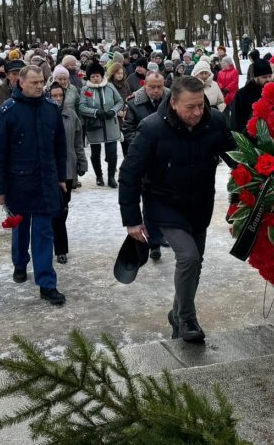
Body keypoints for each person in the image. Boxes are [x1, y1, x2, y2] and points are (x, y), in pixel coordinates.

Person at [118, 76, 235, 342]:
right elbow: (129, 174)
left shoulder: (214, 121)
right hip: (164, 204)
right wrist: (132, 220)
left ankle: (176, 312)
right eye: (190, 107)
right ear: (173, 103)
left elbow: (237, 159)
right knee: (188, 258)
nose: (197, 112)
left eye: (200, 106)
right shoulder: (151, 128)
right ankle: (187, 319)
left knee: (196, 264)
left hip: (200, 204)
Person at [0, 65, 68, 305]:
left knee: (44, 232)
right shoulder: (7, 111)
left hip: (46, 180)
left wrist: (61, 178)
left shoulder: (51, 109)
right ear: (21, 83)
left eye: (41, 81)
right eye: (34, 82)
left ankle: (47, 283)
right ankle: (20, 262)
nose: (39, 86)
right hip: (19, 181)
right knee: (21, 228)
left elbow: (60, 147)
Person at [121, 71, 170, 260]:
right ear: (145, 86)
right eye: (152, 87)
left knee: (165, 199)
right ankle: (154, 242)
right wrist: (145, 146)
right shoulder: (134, 103)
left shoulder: (171, 100)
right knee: (149, 201)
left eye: (159, 86)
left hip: (167, 159)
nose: (156, 90)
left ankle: (164, 233)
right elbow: (128, 130)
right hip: (145, 160)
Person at [47, 82, 87, 264]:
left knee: (63, 207)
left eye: (59, 96)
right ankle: (59, 248)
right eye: (53, 96)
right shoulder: (44, 114)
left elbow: (78, 141)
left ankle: (58, 243)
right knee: (56, 209)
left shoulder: (70, 115)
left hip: (69, 169)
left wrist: (82, 161)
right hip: (49, 170)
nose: (57, 99)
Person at [78, 62, 124, 188]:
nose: (95, 78)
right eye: (92, 76)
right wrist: (95, 112)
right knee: (95, 152)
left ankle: (110, 177)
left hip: (110, 124)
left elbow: (120, 101)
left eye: (97, 75)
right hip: (94, 125)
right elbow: (82, 106)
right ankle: (99, 176)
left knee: (112, 152)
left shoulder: (109, 87)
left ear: (101, 76)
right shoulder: (86, 90)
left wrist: (113, 111)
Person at [231, 59, 273, 135]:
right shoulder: (242, 94)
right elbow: (235, 121)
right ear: (255, 77)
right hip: (249, 139)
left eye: (270, 76)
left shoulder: (273, 92)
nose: (268, 79)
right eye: (264, 77)